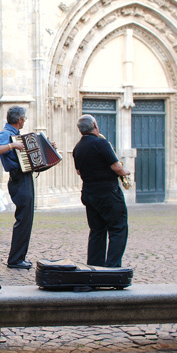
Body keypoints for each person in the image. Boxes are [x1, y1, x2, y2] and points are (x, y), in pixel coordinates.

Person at [0, 106, 54, 269]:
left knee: (27, 220)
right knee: (23, 220)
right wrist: (12, 146)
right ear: (19, 120)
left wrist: (48, 149)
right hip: (19, 179)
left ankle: (19, 257)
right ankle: (15, 259)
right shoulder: (6, 134)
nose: (24, 121)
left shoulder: (17, 135)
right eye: (24, 119)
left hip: (25, 178)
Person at [73, 114, 131, 267]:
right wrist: (126, 171)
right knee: (118, 229)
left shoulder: (77, 148)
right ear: (95, 126)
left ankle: (95, 267)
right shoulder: (101, 143)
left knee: (97, 232)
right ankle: (112, 268)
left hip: (89, 193)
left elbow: (79, 171)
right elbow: (116, 167)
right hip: (108, 193)